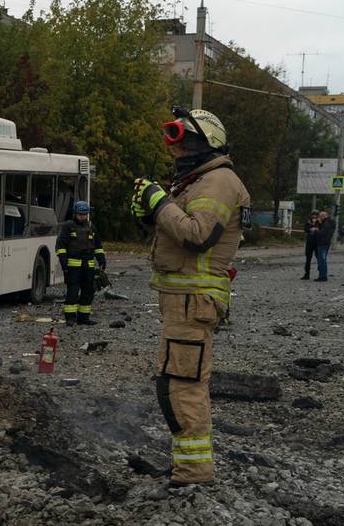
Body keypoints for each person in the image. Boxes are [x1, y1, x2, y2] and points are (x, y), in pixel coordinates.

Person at [131, 105, 249, 486]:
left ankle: (194, 474)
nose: (177, 153)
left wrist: (160, 203)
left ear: (206, 144)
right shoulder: (198, 183)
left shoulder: (218, 182)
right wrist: (149, 213)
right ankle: (188, 468)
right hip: (183, 301)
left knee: (183, 385)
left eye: (183, 145)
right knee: (173, 383)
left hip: (193, 302)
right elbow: (174, 233)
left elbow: (198, 235)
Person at [55, 200, 105, 325]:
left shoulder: (91, 227)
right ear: (75, 213)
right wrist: (63, 260)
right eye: (80, 214)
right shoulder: (68, 226)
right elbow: (61, 245)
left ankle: (83, 318)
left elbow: (97, 245)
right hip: (73, 267)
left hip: (88, 266)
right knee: (72, 292)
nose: (82, 216)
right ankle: (70, 318)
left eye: (84, 214)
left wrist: (101, 259)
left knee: (88, 292)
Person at [313, 209, 336, 281]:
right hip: (325, 242)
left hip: (323, 243)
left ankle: (323, 276)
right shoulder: (329, 222)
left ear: (323, 216)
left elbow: (322, 233)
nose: (319, 218)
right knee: (322, 259)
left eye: (320, 216)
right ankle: (322, 275)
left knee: (322, 260)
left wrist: (315, 230)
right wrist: (320, 224)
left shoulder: (326, 223)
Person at [301, 210, 319, 279]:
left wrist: (316, 226)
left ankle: (321, 273)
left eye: (316, 215)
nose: (314, 216)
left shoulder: (320, 222)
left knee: (319, 258)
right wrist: (311, 227)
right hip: (309, 242)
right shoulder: (308, 221)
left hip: (317, 242)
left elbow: (322, 229)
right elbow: (305, 229)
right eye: (313, 215)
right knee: (308, 259)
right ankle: (307, 274)